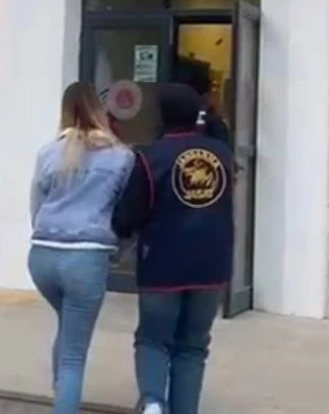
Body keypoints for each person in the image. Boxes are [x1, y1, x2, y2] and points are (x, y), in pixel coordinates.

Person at [113, 83, 235, 414]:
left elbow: (128, 216)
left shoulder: (150, 158)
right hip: (212, 265)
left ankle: (153, 402)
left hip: (162, 265)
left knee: (153, 339)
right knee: (193, 347)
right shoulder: (222, 155)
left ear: (162, 116)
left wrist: (120, 239)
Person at [29, 82, 135, 414]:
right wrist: (119, 251)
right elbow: (126, 213)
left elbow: (36, 206)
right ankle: (64, 402)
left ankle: (60, 393)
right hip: (86, 258)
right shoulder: (122, 157)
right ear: (100, 111)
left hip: (42, 255)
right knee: (74, 355)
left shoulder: (48, 152)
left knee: (68, 327)